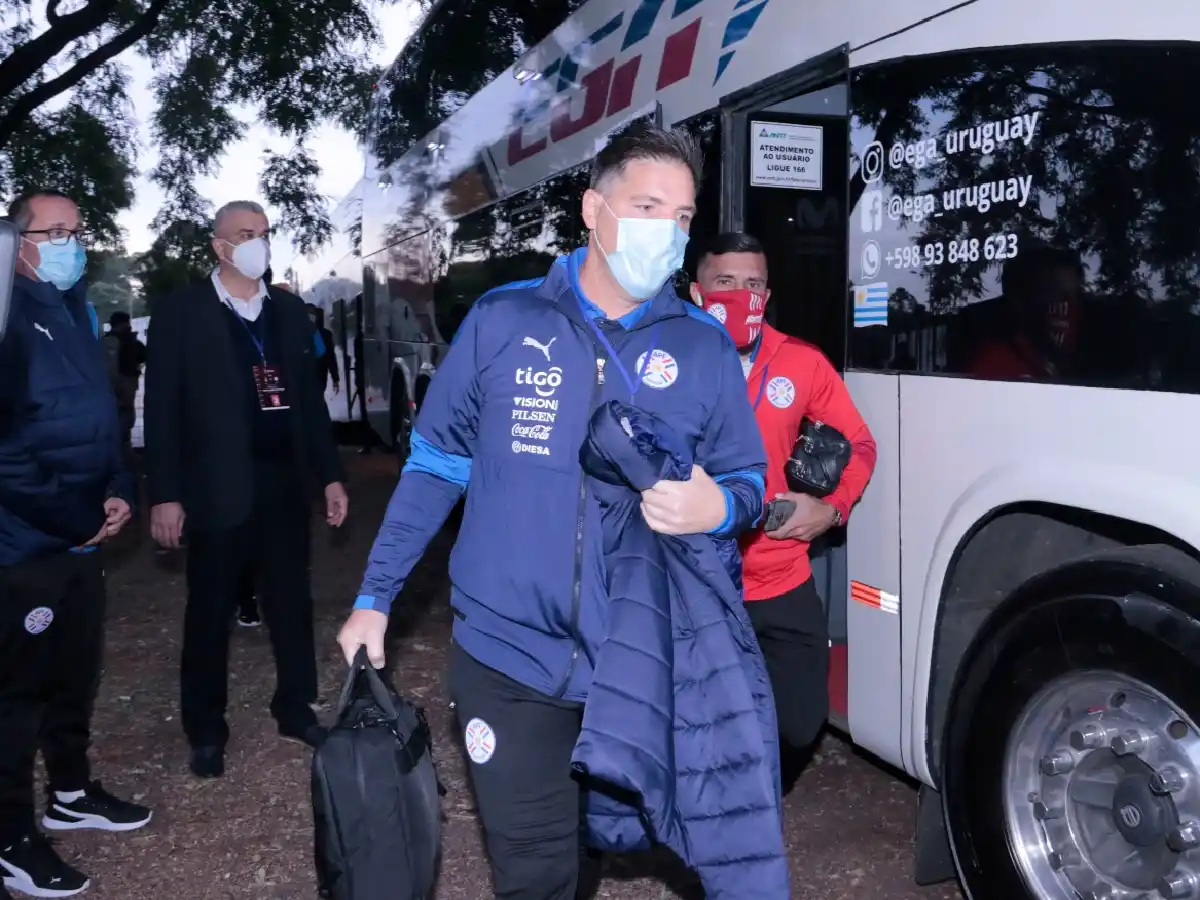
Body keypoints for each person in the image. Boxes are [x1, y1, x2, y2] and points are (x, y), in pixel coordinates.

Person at [337, 124, 767, 900]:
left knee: (590, 848)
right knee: (533, 871)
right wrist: (376, 597)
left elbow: (747, 481)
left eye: (681, 216)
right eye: (647, 206)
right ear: (594, 209)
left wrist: (718, 505)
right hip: (507, 657)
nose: (667, 231)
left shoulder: (702, 346)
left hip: (636, 662)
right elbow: (436, 465)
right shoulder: (504, 322)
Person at [143, 200, 349, 779]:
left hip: (282, 483)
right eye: (243, 234)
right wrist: (165, 492)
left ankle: (295, 706)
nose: (256, 242)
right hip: (215, 488)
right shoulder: (182, 313)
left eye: (262, 233)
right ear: (218, 246)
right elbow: (161, 410)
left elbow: (309, 404)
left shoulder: (285, 310)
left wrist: (330, 475)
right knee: (209, 611)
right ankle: (206, 729)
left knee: (290, 601)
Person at [0, 191, 151, 899]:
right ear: (15, 240)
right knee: (15, 697)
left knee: (74, 674)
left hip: (81, 540)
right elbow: (5, 453)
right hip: (26, 547)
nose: (68, 243)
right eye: (51, 232)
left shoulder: (70, 308)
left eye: (75, 231)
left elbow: (102, 415)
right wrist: (74, 517)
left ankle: (70, 790)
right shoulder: (5, 315)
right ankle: (9, 840)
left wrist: (119, 486)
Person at [692, 231, 878, 785]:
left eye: (753, 284)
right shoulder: (664, 361)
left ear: (767, 296)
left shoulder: (801, 362)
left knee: (800, 723)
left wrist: (833, 510)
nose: (741, 294)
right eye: (725, 282)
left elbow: (860, 445)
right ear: (697, 291)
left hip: (780, 578)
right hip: (694, 580)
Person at [102, 311, 146, 460]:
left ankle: (118, 451)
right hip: (123, 384)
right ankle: (122, 452)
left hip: (114, 386)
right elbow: (144, 355)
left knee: (118, 418)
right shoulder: (122, 341)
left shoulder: (106, 342)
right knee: (123, 418)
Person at [307, 303, 340, 397]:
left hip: (317, 377)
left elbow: (331, 358)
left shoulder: (324, 335)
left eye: (311, 315)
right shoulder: (324, 334)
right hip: (310, 378)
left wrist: (335, 378)